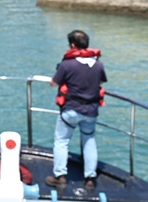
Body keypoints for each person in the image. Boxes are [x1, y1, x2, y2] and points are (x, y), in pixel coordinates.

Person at [45, 30, 107, 191]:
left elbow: (53, 82)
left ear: (72, 45)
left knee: (61, 141)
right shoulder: (98, 64)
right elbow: (101, 81)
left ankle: (60, 177)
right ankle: (90, 178)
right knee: (89, 141)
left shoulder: (67, 64)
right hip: (91, 111)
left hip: (71, 110)